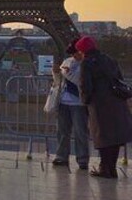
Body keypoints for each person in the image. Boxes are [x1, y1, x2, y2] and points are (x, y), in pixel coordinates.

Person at [78, 36, 132, 179]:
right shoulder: (109, 59)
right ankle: (111, 168)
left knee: (102, 137)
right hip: (116, 102)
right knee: (114, 138)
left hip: (100, 104)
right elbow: (119, 78)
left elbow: (86, 86)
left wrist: (85, 102)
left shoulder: (87, 63)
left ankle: (104, 168)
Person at [51, 41, 89, 169]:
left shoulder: (87, 64)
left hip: (79, 103)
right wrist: (56, 72)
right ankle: (61, 157)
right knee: (62, 132)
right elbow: (58, 81)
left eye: (76, 52)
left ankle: (82, 159)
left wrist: (66, 73)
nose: (74, 55)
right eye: (72, 53)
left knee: (80, 132)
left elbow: (79, 81)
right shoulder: (67, 61)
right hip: (63, 101)